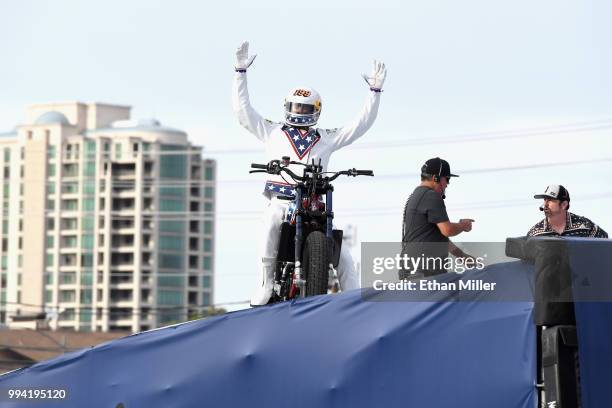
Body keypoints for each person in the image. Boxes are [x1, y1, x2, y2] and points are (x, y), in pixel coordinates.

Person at [232, 41, 387, 305]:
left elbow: (359, 125)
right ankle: (265, 283)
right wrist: (240, 73)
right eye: (295, 106)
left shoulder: (325, 137)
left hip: (314, 205)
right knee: (270, 222)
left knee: (346, 258)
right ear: (286, 107)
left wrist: (375, 91)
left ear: (316, 110)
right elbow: (243, 113)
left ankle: (355, 305)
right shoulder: (272, 131)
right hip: (282, 203)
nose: (299, 112)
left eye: (305, 108)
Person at [400, 157, 474, 277]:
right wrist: (463, 226)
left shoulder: (418, 195)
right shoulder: (431, 196)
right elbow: (447, 230)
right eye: (447, 179)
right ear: (436, 178)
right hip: (422, 273)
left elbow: (438, 237)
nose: (447, 184)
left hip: (416, 271)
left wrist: (463, 257)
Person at [527, 184, 608, 238]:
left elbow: (604, 243)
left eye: (550, 200)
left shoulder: (585, 226)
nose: (545, 204)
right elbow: (526, 260)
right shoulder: (535, 233)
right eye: (545, 199)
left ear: (564, 205)